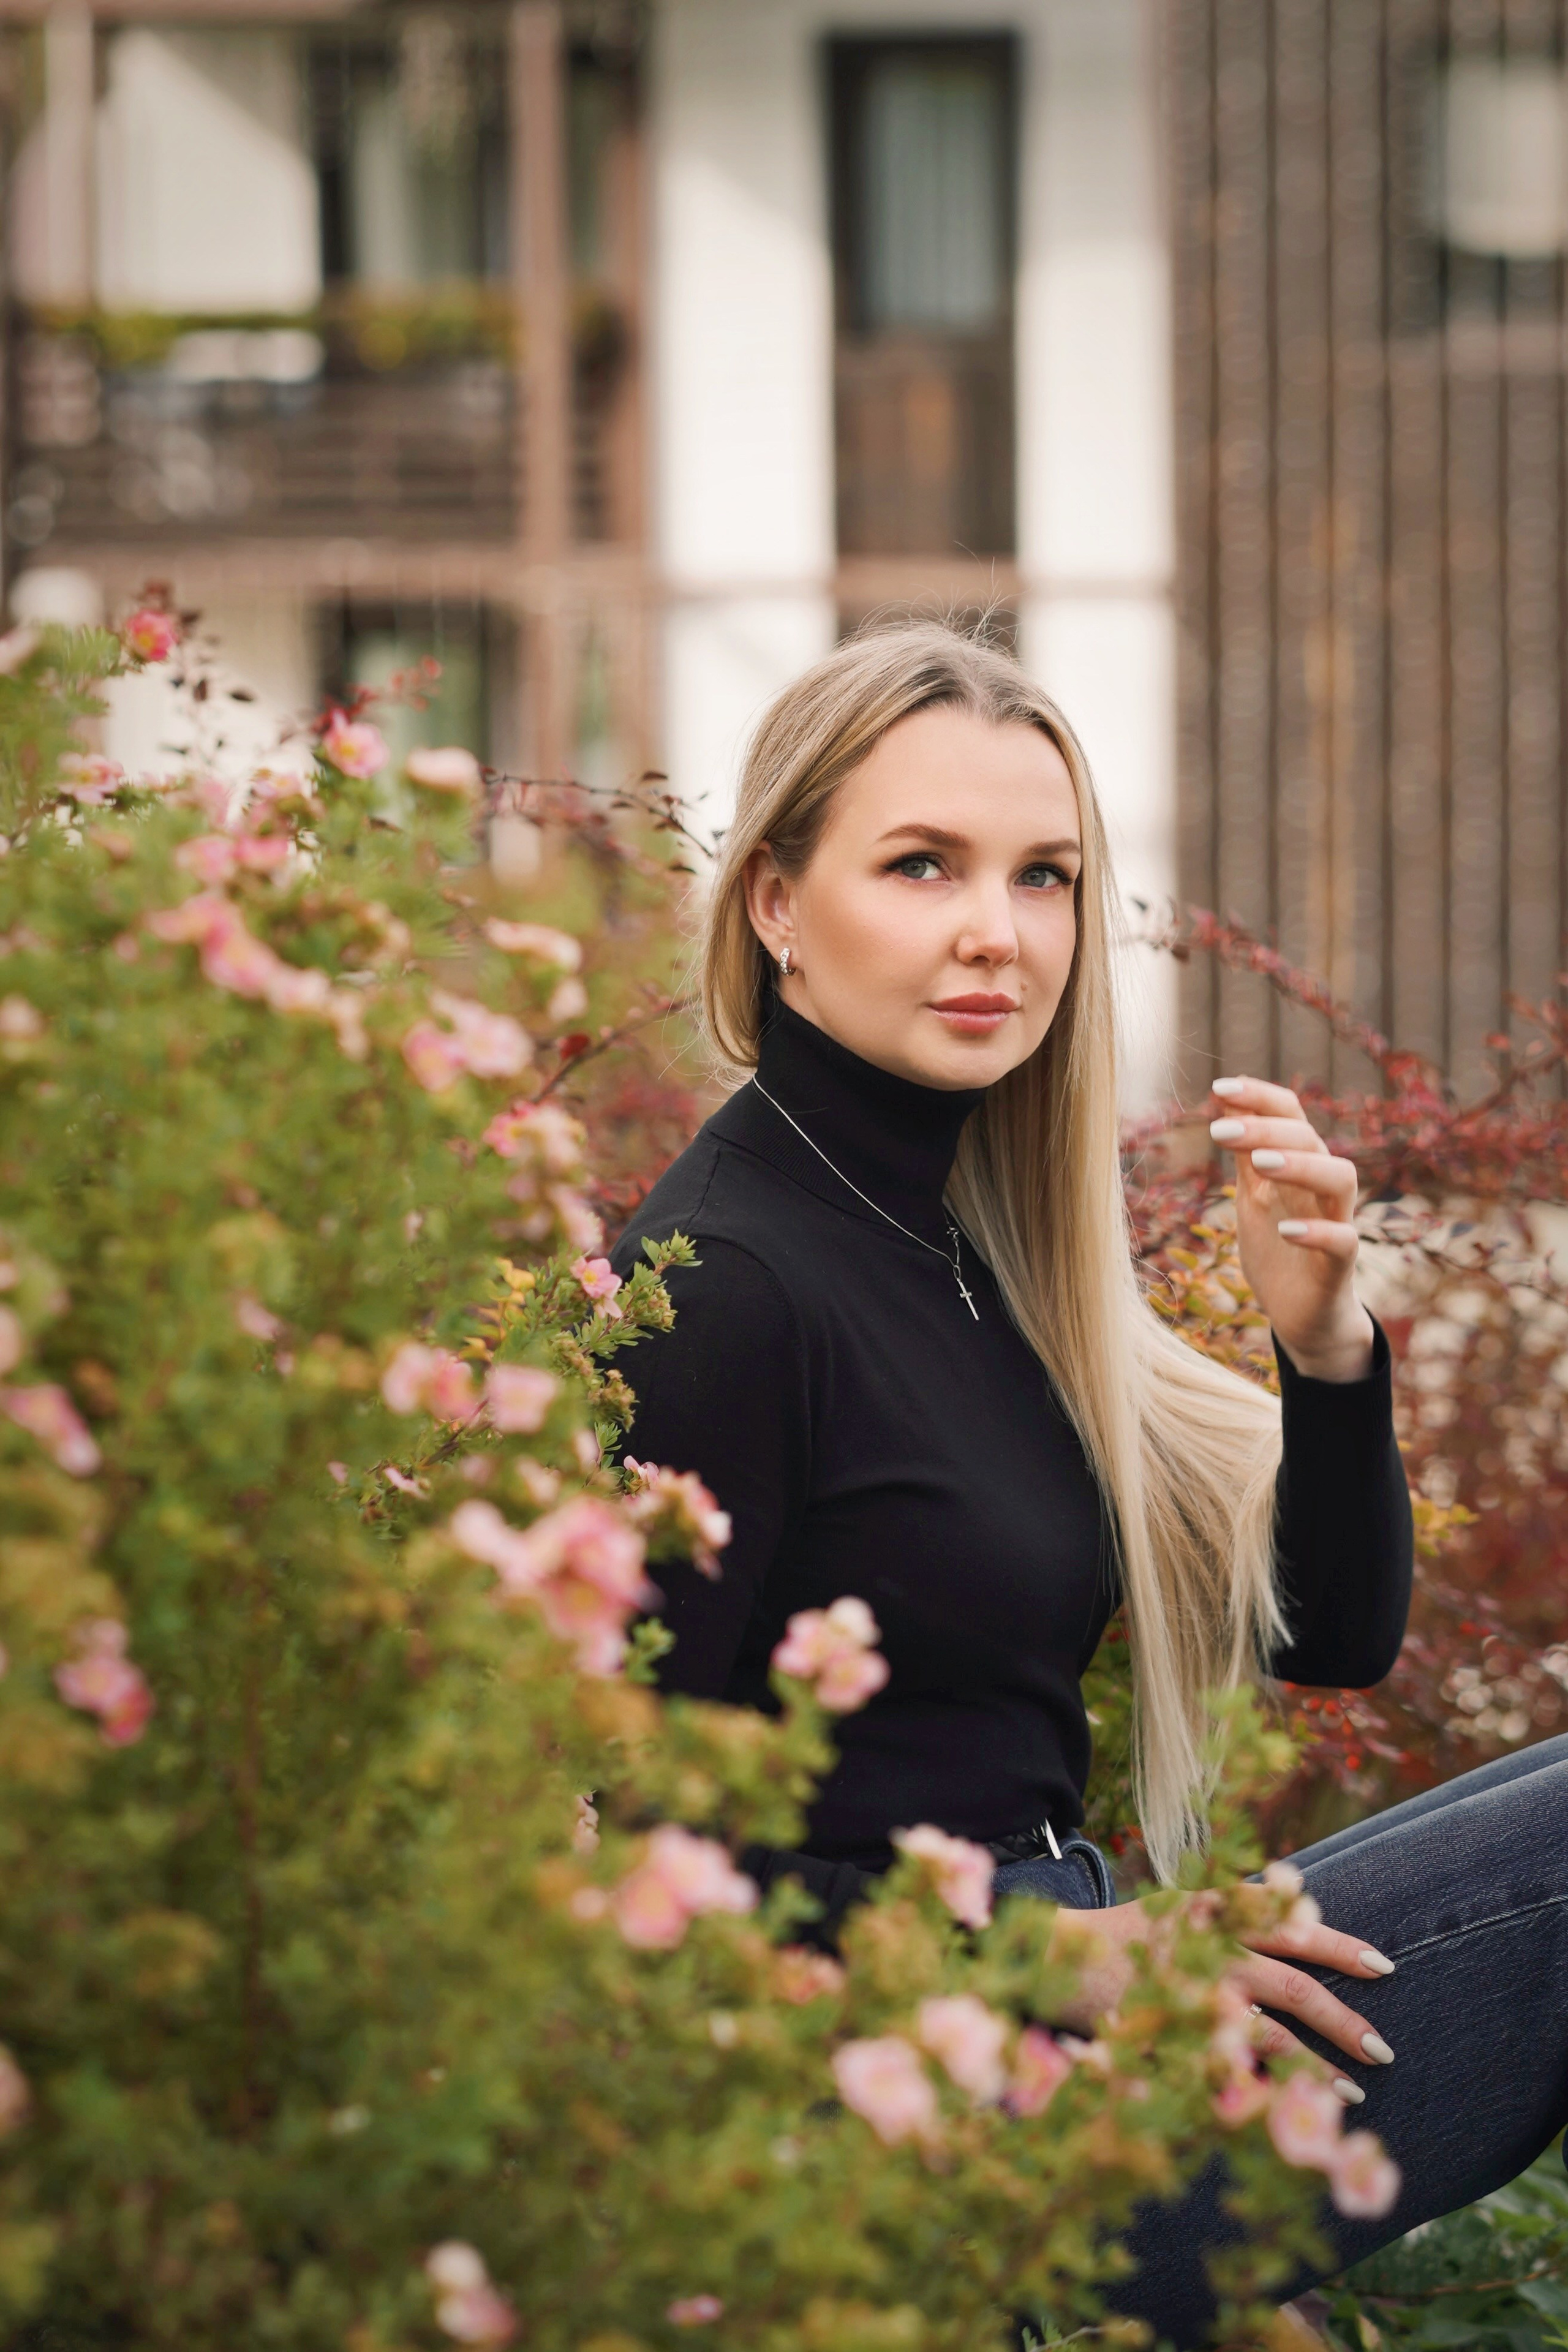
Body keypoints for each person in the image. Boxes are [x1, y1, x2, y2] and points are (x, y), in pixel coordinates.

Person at [608, 622, 1568, 2345]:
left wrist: (1327, 1351)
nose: (999, 931)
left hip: (1078, 2009)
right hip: (916, 2117)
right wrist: (1067, 1957)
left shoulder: (978, 1244)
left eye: (1042, 877)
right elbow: (636, 1869)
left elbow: (1334, 1633)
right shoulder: (722, 1286)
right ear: (774, 906)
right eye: (922, 865)